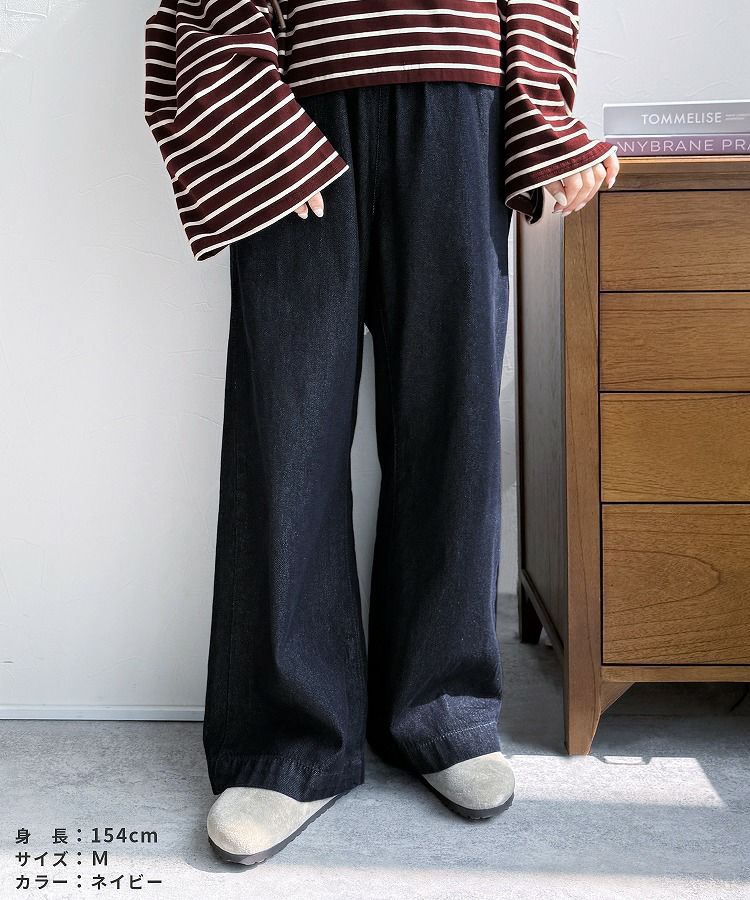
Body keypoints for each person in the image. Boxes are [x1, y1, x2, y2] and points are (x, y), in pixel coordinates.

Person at [144, 0, 618, 866]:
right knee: (287, 433)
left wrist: (540, 112)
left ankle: (444, 711)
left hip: (462, 95)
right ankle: (289, 742)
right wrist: (248, 103)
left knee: (455, 425)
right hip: (299, 88)